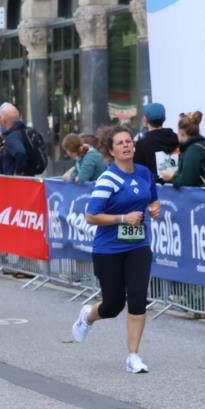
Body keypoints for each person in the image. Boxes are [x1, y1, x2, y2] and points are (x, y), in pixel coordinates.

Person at [72, 125, 161, 374]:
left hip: (139, 245)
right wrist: (122, 219)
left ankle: (133, 356)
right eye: (120, 143)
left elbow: (153, 199)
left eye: (129, 141)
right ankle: (87, 316)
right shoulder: (108, 179)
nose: (126, 145)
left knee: (137, 297)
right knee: (112, 305)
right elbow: (91, 215)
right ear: (111, 150)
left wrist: (155, 208)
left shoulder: (144, 173)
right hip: (108, 249)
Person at [160, 111, 205, 187]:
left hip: (198, 197)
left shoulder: (193, 151)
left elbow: (187, 181)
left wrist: (172, 177)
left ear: (182, 132)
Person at [133, 102, 179, 183]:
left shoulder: (142, 144)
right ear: (164, 119)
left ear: (145, 119)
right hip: (177, 190)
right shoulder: (177, 138)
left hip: (153, 191)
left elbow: (138, 174)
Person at [0, 103, 28, 175]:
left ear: (3, 120)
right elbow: (6, 155)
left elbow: (20, 153)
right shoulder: (23, 132)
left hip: (14, 182)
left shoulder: (11, 138)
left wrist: (18, 173)